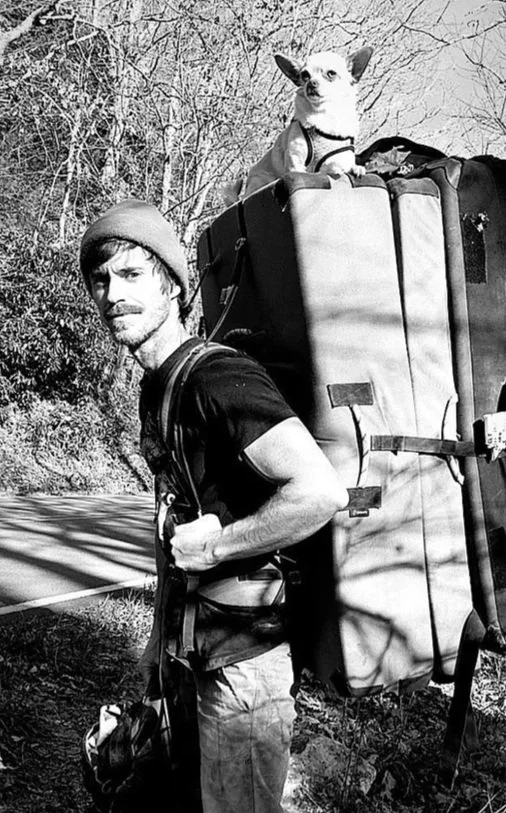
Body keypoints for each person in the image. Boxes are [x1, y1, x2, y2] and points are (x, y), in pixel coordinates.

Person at [79, 198, 348, 813]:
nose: (112, 294)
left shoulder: (216, 377)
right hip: (191, 648)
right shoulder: (159, 385)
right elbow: (173, 519)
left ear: (173, 287)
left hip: (245, 670)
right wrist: (157, 637)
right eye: (101, 280)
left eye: (131, 274)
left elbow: (320, 491)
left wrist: (220, 544)